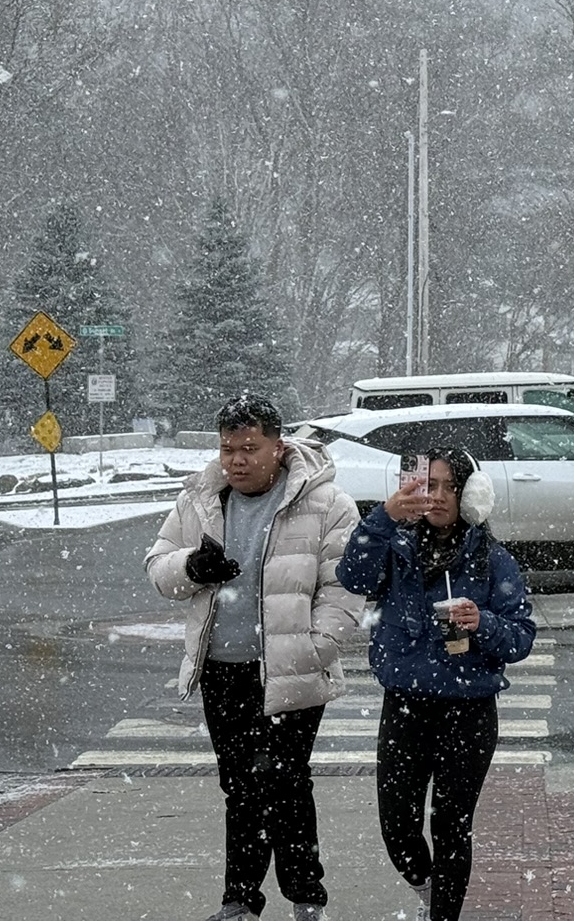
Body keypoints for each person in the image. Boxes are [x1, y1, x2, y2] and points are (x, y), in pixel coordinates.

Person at [147, 393, 364, 921]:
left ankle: (306, 897)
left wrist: (319, 645)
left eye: (249, 448)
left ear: (278, 445)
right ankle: (240, 900)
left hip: (292, 667)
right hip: (222, 668)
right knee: (240, 784)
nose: (236, 460)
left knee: (285, 778)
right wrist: (193, 567)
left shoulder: (327, 502)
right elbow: (158, 565)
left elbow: (344, 586)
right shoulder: (201, 499)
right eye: (227, 449)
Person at [336, 447, 536, 921]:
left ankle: (445, 913)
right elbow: (352, 575)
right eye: (432, 485)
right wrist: (382, 518)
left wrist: (482, 622)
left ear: (471, 496)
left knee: (451, 825)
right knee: (398, 826)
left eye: (451, 487)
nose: (439, 497)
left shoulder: (493, 560)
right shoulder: (396, 546)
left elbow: (521, 637)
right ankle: (426, 883)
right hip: (406, 705)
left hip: (468, 711)